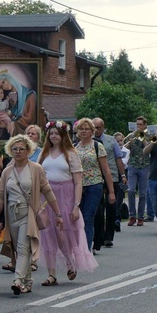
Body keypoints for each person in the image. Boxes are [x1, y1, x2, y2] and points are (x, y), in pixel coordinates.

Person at [0, 133, 62, 295]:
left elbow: (47, 191)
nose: (18, 152)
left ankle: (17, 281)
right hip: (12, 215)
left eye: (21, 149)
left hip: (29, 213)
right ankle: (28, 281)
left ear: (28, 151)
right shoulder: (7, 171)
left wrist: (58, 214)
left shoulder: (36, 169)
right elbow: (1, 196)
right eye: (15, 149)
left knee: (24, 247)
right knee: (18, 248)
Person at [37, 121, 97, 286]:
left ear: (63, 135)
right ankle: (51, 274)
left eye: (57, 133)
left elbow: (78, 182)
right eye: (51, 133)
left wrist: (76, 205)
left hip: (65, 195)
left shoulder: (71, 153)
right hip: (48, 196)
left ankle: (70, 262)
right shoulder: (45, 153)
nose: (54, 136)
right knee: (47, 232)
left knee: (62, 233)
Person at [75, 118, 115, 250]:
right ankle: (78, 246)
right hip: (78, 186)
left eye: (87, 129)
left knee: (88, 218)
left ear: (92, 131)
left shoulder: (97, 146)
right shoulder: (75, 147)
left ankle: (86, 249)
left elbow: (106, 170)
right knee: (78, 218)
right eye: (82, 129)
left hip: (94, 185)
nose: (84, 131)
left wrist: (111, 191)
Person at [92, 117, 127, 241]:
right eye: (94, 127)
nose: (96, 130)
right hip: (95, 178)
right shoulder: (88, 141)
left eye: (98, 128)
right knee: (98, 209)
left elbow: (118, 158)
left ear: (103, 127)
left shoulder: (111, 141)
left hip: (111, 176)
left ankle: (109, 236)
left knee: (111, 207)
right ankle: (99, 236)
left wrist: (122, 175)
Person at [0, 72, 37, 138]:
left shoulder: (29, 95)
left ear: (9, 78)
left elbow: (29, 119)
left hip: (20, 130)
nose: (4, 86)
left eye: (3, 82)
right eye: (2, 86)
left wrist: (7, 124)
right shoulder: (6, 97)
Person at [124, 116, 151, 226]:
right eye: (137, 124)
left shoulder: (149, 136)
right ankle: (132, 216)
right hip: (132, 165)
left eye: (141, 124)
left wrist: (143, 138)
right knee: (130, 191)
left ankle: (140, 217)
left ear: (145, 125)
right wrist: (130, 142)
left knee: (143, 193)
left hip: (144, 166)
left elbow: (150, 148)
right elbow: (124, 149)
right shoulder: (131, 135)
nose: (139, 126)